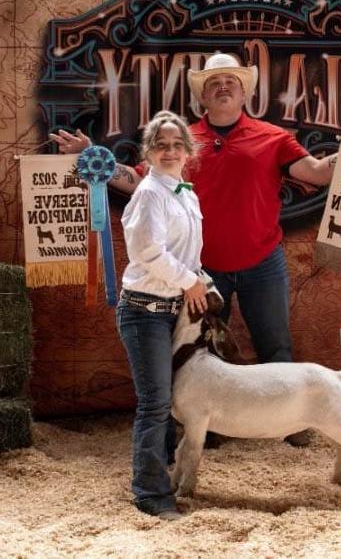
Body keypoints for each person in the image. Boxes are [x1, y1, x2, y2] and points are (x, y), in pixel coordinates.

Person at [50, 53, 341, 447]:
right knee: (204, 351)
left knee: (276, 344)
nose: (223, 86)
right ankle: (213, 427)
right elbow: (135, 180)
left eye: (231, 80)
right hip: (202, 272)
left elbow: (318, 173)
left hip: (262, 263)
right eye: (214, 81)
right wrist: (91, 158)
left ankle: (291, 423)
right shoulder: (181, 142)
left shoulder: (273, 137)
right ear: (203, 94)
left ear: (244, 91)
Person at [115, 111, 206, 519]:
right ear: (148, 153)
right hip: (144, 310)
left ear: (188, 151)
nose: (170, 151)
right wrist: (190, 281)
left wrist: (200, 279)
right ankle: (150, 493)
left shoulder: (186, 193)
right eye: (161, 145)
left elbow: (188, 255)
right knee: (155, 402)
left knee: (168, 401)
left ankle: (163, 472)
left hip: (173, 309)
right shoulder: (149, 194)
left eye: (176, 145)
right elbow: (148, 253)